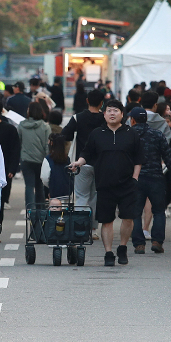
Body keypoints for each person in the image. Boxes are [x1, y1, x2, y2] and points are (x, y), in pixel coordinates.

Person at [71, 100, 144, 267]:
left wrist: (135, 178)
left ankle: (123, 247)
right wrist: (78, 163)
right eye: (109, 111)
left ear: (122, 114)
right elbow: (87, 153)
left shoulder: (131, 133)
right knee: (107, 220)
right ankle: (108, 252)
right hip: (104, 183)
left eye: (115, 111)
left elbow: (139, 158)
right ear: (104, 114)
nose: (112, 113)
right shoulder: (97, 133)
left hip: (127, 183)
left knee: (128, 217)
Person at [127, 108, 171, 255]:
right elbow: (168, 157)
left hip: (135, 179)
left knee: (135, 212)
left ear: (133, 120)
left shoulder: (128, 135)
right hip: (156, 177)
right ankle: (157, 241)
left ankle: (138, 244)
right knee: (159, 211)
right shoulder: (157, 134)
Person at [61, 90, 106, 239]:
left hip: (82, 163)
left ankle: (81, 228)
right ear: (102, 103)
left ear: (87, 101)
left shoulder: (78, 118)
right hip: (101, 164)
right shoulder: (105, 119)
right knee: (95, 197)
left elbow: (65, 135)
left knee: (81, 196)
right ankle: (93, 230)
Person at [18, 102, 51, 209]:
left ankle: (30, 210)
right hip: (41, 161)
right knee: (39, 186)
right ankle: (40, 210)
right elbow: (47, 145)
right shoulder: (45, 127)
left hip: (26, 160)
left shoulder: (21, 126)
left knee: (29, 186)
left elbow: (18, 142)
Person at [41, 133, 71, 205]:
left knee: (55, 212)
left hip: (54, 192)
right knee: (65, 211)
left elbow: (44, 177)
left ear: (51, 143)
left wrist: (50, 185)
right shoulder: (67, 159)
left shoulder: (48, 159)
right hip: (67, 192)